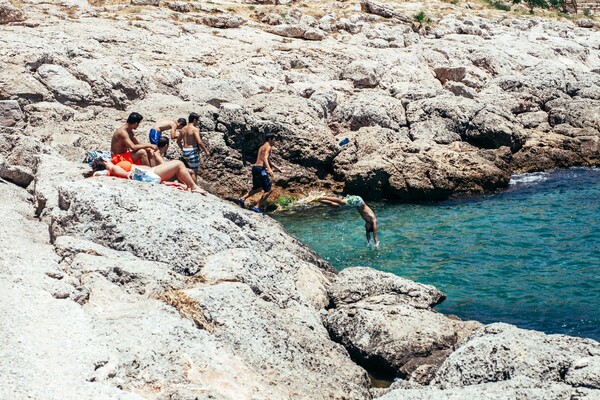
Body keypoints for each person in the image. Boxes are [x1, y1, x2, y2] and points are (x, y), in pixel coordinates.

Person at [89, 157, 207, 194]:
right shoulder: (113, 168)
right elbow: (127, 174)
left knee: (179, 168)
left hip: (151, 172)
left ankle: (191, 185)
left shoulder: (112, 169)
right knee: (179, 164)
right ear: (104, 161)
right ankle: (193, 186)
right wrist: (129, 175)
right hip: (151, 174)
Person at [236, 133, 282, 213]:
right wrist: (269, 169)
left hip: (255, 168)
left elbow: (267, 160)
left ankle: (242, 199)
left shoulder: (262, 147)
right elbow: (264, 158)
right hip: (261, 169)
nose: (275, 141)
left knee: (258, 188)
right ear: (270, 139)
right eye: (274, 139)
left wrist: (278, 168)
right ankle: (256, 207)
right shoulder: (269, 146)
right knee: (269, 190)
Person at [177, 112, 210, 181]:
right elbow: (199, 142)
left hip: (185, 152)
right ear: (194, 120)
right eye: (197, 121)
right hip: (192, 151)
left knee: (188, 170)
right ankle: (194, 187)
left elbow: (178, 141)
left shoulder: (183, 129)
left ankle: (188, 184)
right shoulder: (194, 129)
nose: (197, 123)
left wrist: (182, 149)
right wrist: (206, 151)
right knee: (194, 172)